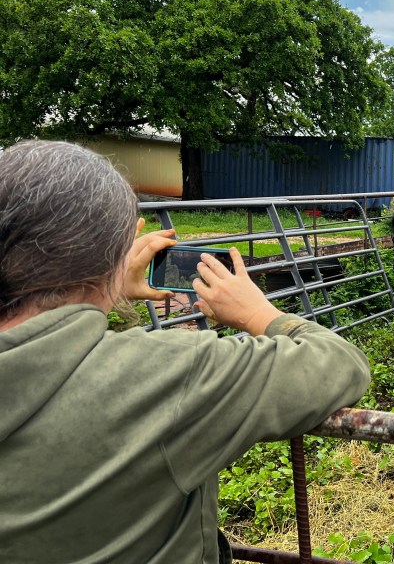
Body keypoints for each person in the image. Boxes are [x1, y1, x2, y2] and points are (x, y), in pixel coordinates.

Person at [0, 140, 372, 563]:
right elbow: (342, 363)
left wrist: (107, 292)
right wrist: (257, 313)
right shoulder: (164, 374)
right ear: (110, 257)